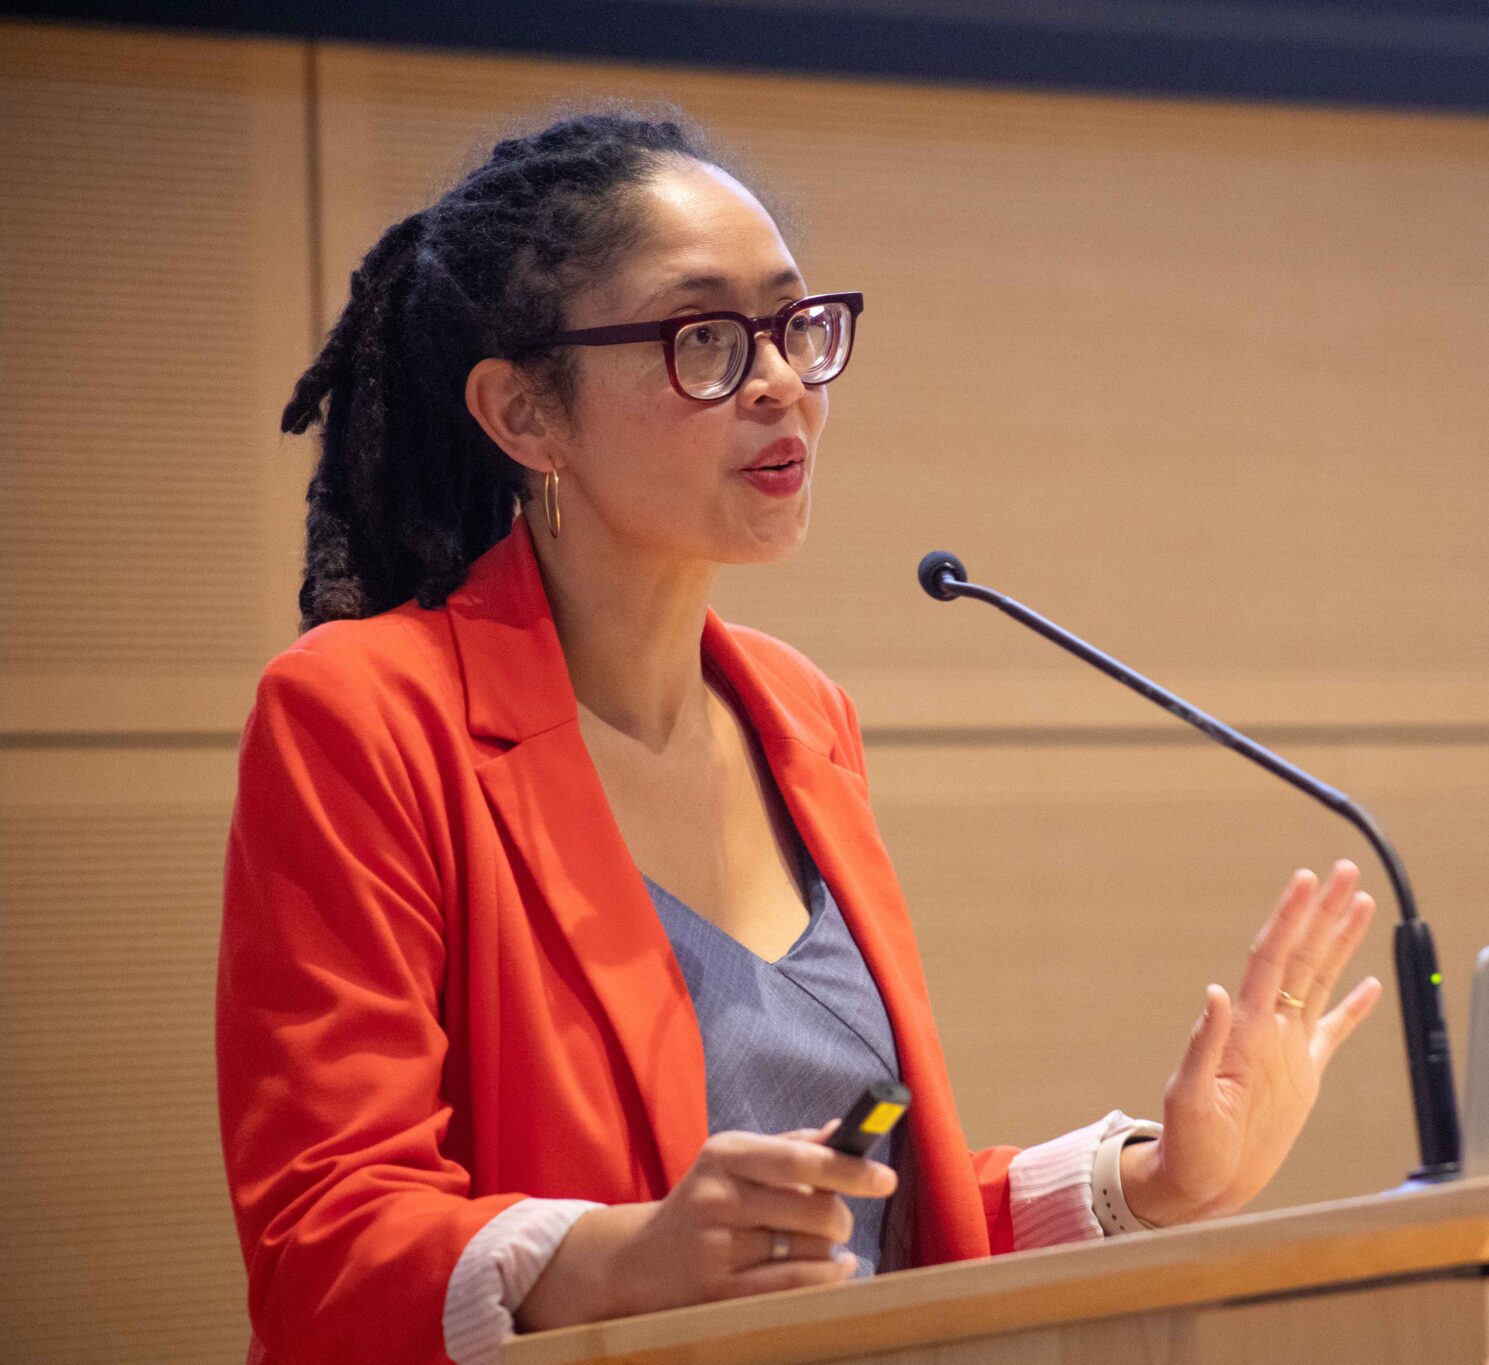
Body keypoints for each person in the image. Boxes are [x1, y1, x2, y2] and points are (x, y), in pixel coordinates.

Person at [215, 108, 1383, 1365]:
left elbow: (859, 1224)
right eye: (703, 339)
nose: (778, 381)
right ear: (525, 415)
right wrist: (623, 1262)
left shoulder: (799, 714)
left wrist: (1147, 1179)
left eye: (794, 327)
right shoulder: (366, 715)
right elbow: (323, 1245)